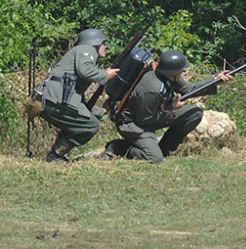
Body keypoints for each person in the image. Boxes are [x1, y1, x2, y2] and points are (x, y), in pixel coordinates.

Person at [103, 50, 231, 163]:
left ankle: (165, 149)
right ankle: (118, 147)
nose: (182, 73)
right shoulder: (153, 89)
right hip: (132, 124)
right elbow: (145, 120)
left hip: (149, 116)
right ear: (172, 72)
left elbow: (187, 90)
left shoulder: (169, 76)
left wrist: (215, 81)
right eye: (181, 71)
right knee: (154, 158)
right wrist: (171, 107)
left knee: (194, 113)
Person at [40, 28, 119, 162]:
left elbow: (79, 104)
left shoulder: (80, 51)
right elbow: (85, 71)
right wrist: (105, 75)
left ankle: (56, 154)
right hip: (57, 99)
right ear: (95, 43)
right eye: (103, 43)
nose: (106, 46)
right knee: (91, 126)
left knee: (83, 123)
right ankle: (55, 155)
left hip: (53, 100)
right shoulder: (87, 49)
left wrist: (102, 111)